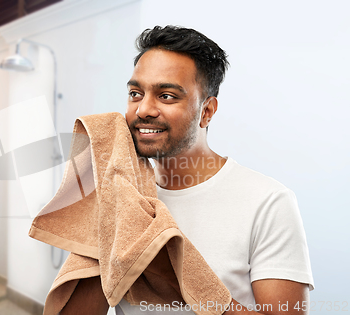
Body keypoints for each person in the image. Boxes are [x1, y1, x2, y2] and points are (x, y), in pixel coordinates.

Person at [62, 25, 314, 315]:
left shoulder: (268, 202)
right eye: (135, 93)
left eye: (166, 96)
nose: (143, 109)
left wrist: (176, 274)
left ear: (206, 111)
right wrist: (101, 206)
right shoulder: (123, 196)